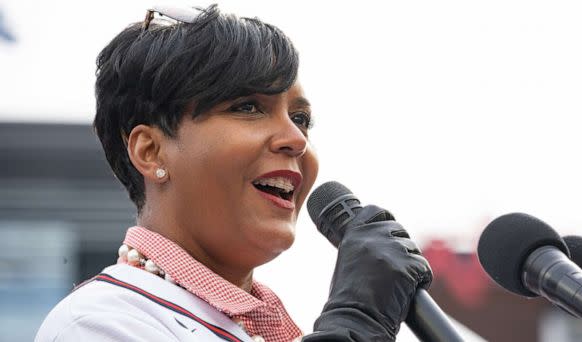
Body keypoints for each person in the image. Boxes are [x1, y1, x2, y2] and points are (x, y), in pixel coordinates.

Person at [36, 5, 432, 342]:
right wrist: (356, 322)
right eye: (247, 107)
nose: (296, 139)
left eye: (301, 118)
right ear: (150, 150)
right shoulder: (98, 322)